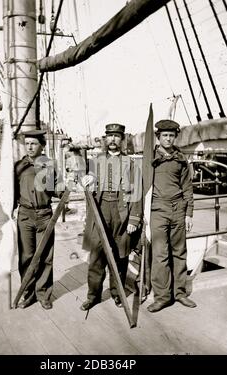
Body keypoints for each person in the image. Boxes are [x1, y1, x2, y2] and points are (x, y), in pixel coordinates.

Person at [80, 123, 142, 311]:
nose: (113, 140)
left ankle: (117, 293)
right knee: (97, 256)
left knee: (120, 256)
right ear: (105, 139)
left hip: (121, 211)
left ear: (122, 140)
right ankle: (93, 296)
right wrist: (87, 181)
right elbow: (89, 185)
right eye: (110, 136)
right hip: (100, 211)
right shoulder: (96, 161)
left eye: (117, 136)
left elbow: (137, 192)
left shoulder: (131, 164)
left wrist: (134, 219)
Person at [147, 120, 196, 313]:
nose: (168, 139)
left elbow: (187, 188)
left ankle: (180, 293)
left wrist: (189, 214)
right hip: (158, 211)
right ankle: (162, 297)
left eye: (171, 135)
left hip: (178, 211)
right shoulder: (149, 159)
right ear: (158, 137)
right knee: (160, 255)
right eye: (164, 135)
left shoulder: (180, 158)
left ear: (175, 137)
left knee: (179, 252)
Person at [14, 129, 64, 310]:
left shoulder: (49, 165)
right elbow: (11, 192)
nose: (29, 147)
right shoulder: (18, 166)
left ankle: (43, 294)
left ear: (42, 146)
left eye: (33, 143)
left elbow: (55, 189)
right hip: (25, 216)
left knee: (45, 256)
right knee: (26, 256)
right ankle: (28, 294)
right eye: (27, 144)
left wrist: (64, 188)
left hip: (44, 216)